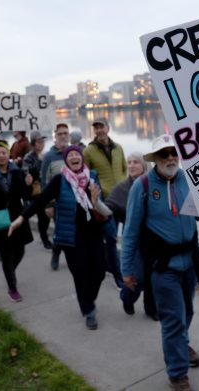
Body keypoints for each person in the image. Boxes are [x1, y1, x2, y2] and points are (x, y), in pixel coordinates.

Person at [121, 134, 199, 391]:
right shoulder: (143, 186)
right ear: (155, 159)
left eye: (174, 152)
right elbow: (130, 231)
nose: (170, 157)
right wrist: (126, 269)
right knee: (173, 320)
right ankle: (177, 374)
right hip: (163, 267)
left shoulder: (187, 179)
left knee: (188, 312)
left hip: (190, 262)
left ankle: (181, 345)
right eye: (164, 153)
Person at [9, 145, 112, 330]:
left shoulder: (92, 178)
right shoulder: (59, 180)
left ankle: (88, 299)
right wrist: (22, 218)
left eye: (77, 154)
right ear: (66, 160)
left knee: (99, 272)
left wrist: (96, 202)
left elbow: (104, 211)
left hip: (94, 234)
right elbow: (40, 201)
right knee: (81, 276)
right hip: (71, 237)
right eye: (70, 155)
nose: (74, 157)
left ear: (82, 159)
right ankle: (89, 311)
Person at [0, 140, 34, 302]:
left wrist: (28, 185)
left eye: (4, 153)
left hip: (17, 217)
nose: (1, 156)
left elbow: (26, 196)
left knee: (20, 250)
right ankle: (12, 287)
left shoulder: (17, 172)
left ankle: (10, 272)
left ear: (9, 154)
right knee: (8, 254)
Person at [105, 152, 154, 317]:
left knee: (153, 276)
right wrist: (95, 202)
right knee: (136, 277)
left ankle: (151, 309)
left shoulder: (154, 184)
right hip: (135, 241)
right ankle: (127, 298)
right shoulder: (122, 188)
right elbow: (107, 208)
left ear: (144, 166)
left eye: (136, 162)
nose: (131, 165)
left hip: (154, 240)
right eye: (129, 162)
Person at [83, 119, 127, 288]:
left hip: (122, 199)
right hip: (106, 202)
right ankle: (117, 275)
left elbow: (124, 169)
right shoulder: (89, 151)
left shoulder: (118, 148)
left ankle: (116, 266)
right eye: (96, 128)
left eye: (102, 127)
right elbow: (87, 177)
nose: (100, 130)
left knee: (129, 235)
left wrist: (124, 185)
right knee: (111, 237)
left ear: (108, 128)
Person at [40, 122, 70, 270]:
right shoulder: (49, 157)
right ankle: (56, 254)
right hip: (57, 203)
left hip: (74, 202)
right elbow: (44, 182)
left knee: (74, 232)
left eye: (65, 133)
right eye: (60, 134)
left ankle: (75, 259)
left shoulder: (75, 152)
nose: (63, 136)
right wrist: (48, 204)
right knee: (60, 231)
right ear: (55, 137)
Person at [22, 130, 52, 249]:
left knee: (47, 216)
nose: (42, 143)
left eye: (43, 141)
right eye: (39, 141)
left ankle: (44, 236)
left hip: (46, 189)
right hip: (35, 191)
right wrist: (40, 162)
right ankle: (45, 240)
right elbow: (26, 172)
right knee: (41, 216)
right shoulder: (28, 157)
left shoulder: (47, 155)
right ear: (34, 143)